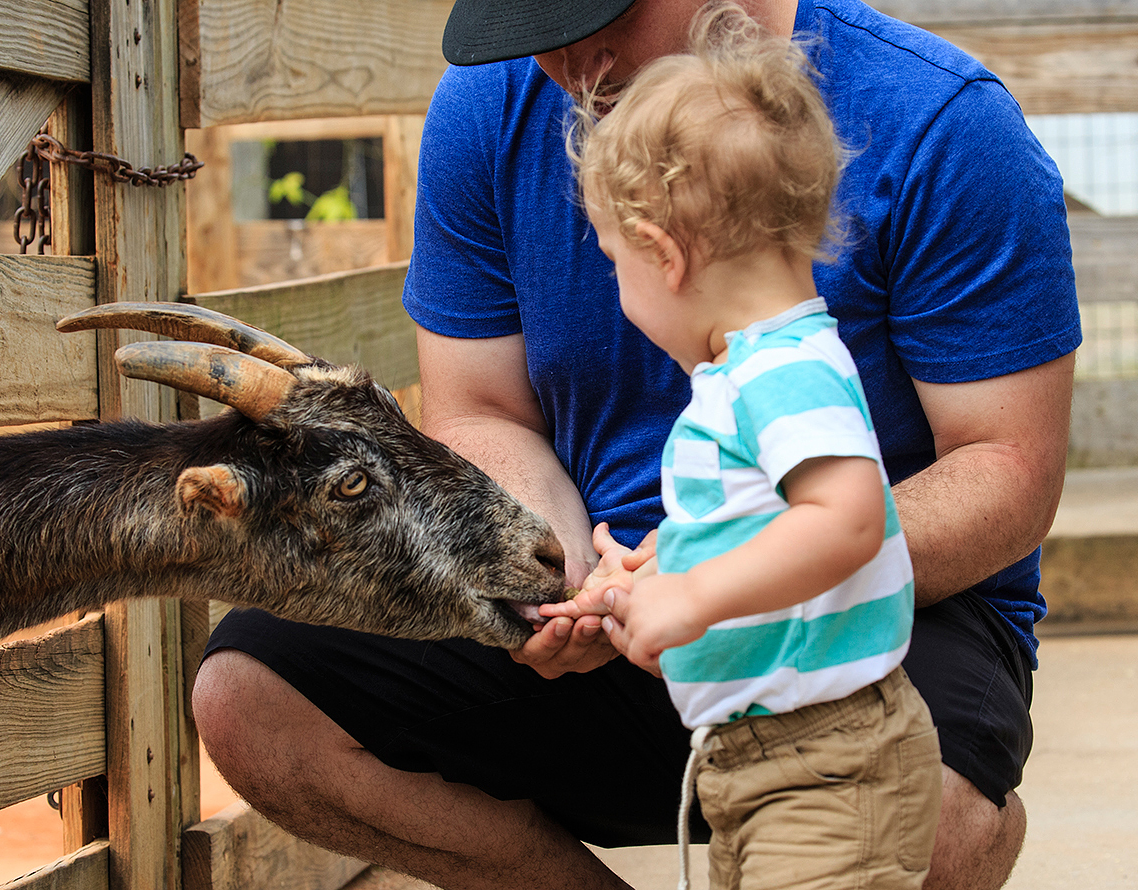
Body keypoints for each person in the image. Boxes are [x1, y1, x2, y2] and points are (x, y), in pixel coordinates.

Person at [192, 1, 1081, 889]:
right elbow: (479, 410)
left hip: (861, 621)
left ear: (663, 255)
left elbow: (1003, 470)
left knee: (920, 813)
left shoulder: (942, 121)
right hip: (636, 594)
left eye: (599, 12)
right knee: (250, 693)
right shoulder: (488, 108)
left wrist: (710, 581)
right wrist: (556, 574)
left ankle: (953, 807)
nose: (570, 63)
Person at [541, 7, 940, 885]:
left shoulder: (781, 375)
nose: (620, 288)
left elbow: (848, 519)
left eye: (615, 263)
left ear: (662, 254)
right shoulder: (754, 372)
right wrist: (659, 575)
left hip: (829, 767)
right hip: (763, 761)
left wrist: (694, 602)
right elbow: (766, 529)